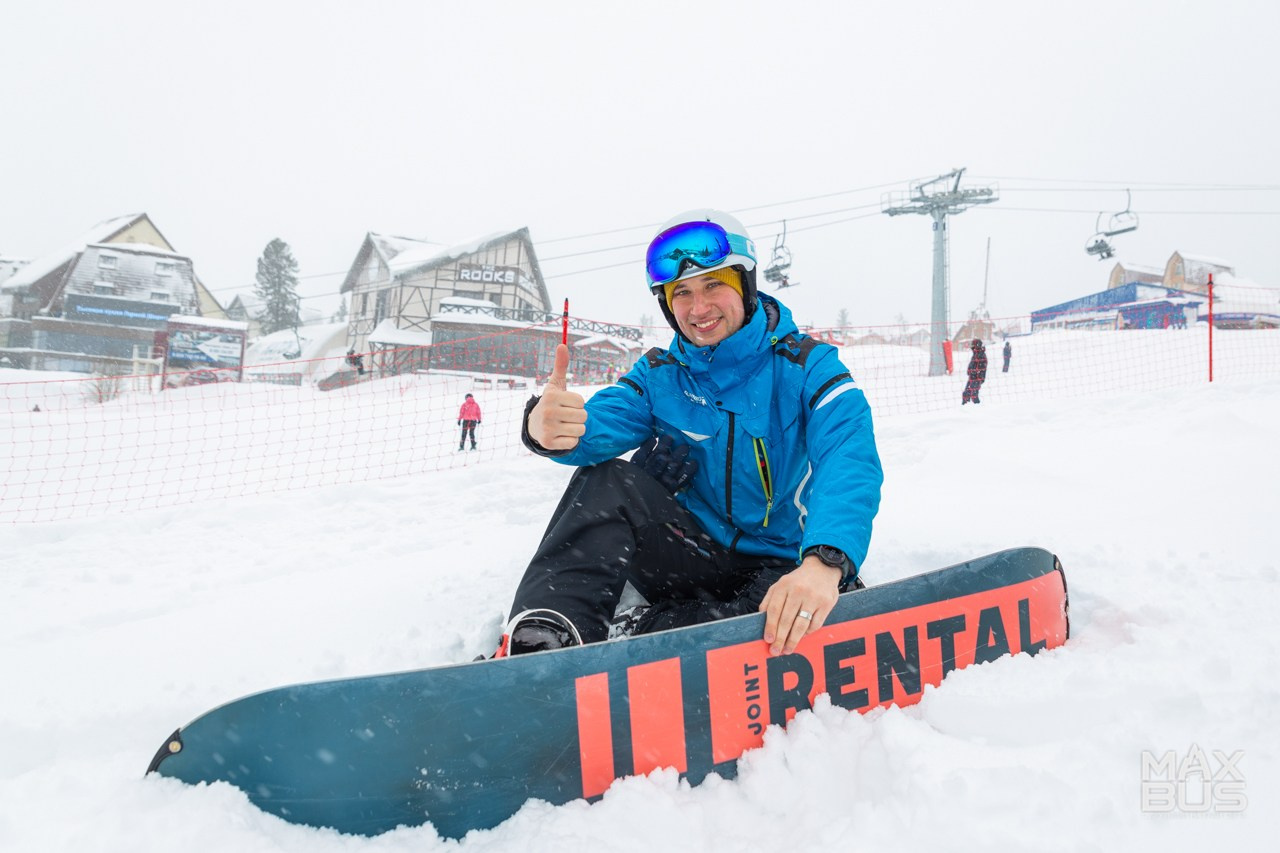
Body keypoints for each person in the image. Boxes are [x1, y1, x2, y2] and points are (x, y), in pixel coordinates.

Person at [498, 209, 883, 658]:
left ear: (746, 285)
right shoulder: (660, 374)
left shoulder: (807, 367)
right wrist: (546, 426)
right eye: (682, 292)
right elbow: (597, 425)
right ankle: (548, 639)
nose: (698, 309)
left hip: (781, 562)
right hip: (689, 554)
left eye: (714, 284)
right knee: (603, 481)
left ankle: (649, 629)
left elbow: (848, 457)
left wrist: (825, 560)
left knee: (813, 605)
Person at [962, 339, 988, 404]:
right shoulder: (975, 354)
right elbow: (972, 363)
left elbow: (982, 367)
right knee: (966, 393)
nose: (972, 346)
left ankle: (977, 407)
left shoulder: (981, 355)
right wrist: (969, 369)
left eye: (973, 345)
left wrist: (974, 372)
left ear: (977, 345)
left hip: (977, 377)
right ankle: (965, 407)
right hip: (972, 377)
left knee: (973, 394)